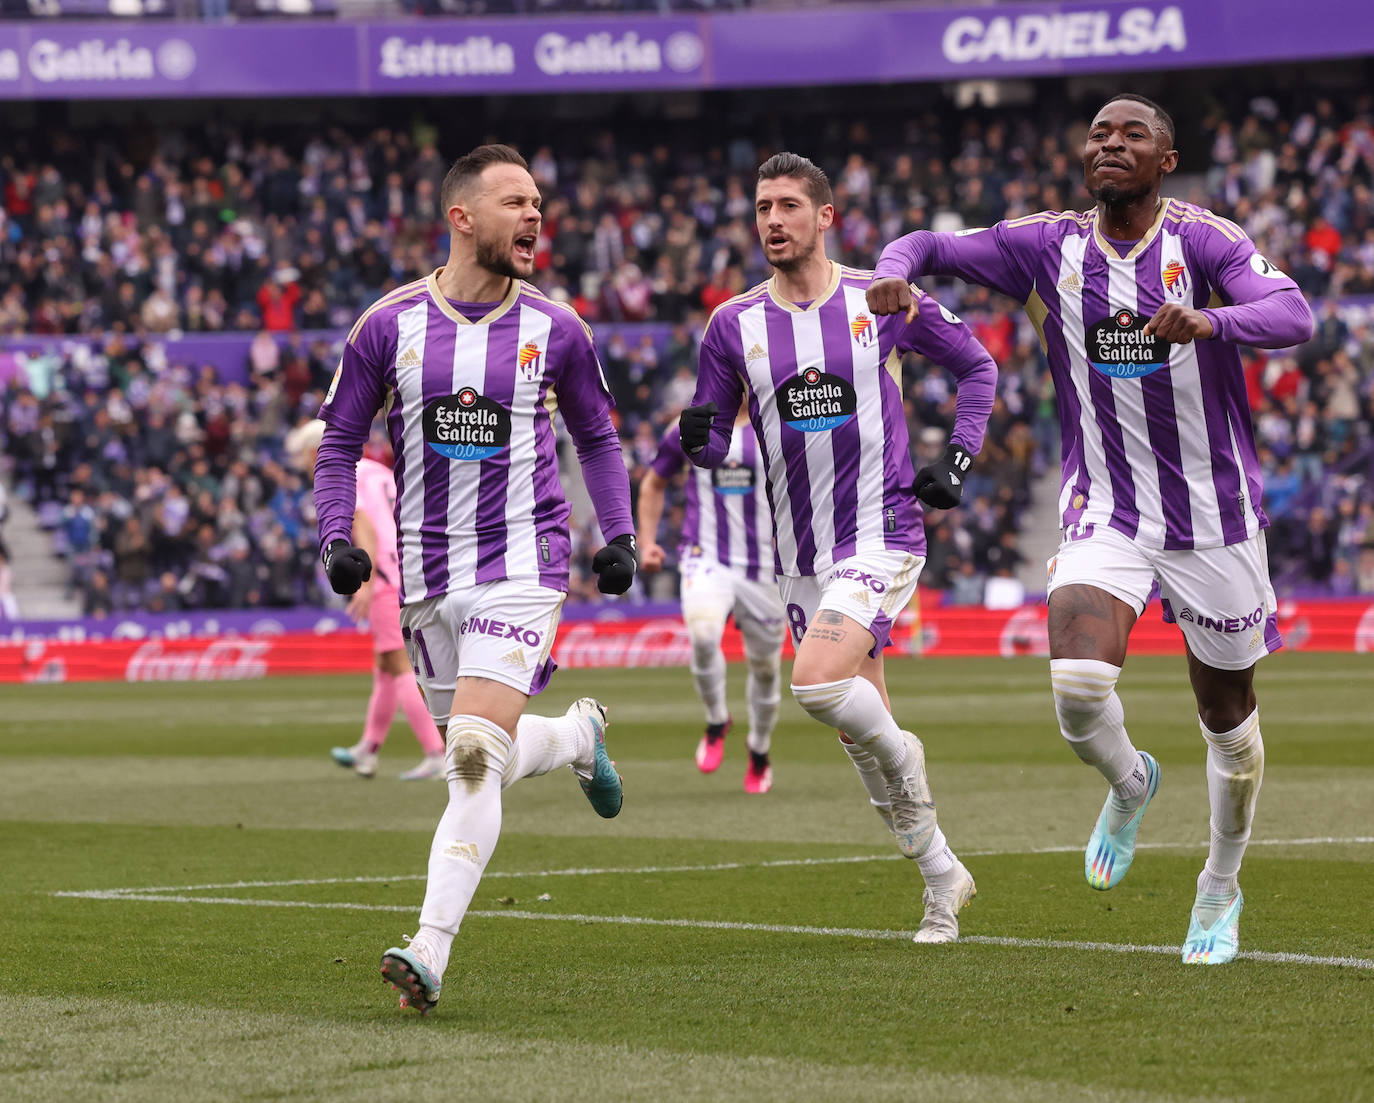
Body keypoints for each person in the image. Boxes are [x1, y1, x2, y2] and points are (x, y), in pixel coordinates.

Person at [866, 94, 1316, 964]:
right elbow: (926, 246)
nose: (1111, 144)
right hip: (1104, 506)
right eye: (1100, 134)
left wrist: (1211, 319)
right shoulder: (1048, 244)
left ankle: (1219, 886)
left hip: (1212, 519)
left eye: (1132, 135)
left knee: (1227, 719)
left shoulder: (1206, 241)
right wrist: (892, 267)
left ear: (1168, 160)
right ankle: (1130, 778)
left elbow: (1294, 314)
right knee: (1076, 686)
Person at [313, 144, 638, 1014]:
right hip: (422, 571)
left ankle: (430, 948)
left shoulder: (558, 328)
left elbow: (598, 440)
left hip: (524, 561)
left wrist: (620, 533)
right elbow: (339, 445)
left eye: (539, 201)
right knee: (479, 759)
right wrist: (333, 539)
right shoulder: (387, 325)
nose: (536, 217)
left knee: (469, 750)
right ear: (462, 218)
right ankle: (573, 737)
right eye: (515, 202)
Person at [681, 153, 997, 942]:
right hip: (799, 554)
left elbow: (978, 367)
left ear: (826, 216)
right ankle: (941, 881)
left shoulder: (878, 298)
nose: (772, 221)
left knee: (817, 685)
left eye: (788, 205)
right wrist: (699, 437)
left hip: (880, 531)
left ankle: (911, 759)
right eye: (761, 207)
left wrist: (957, 458)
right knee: (864, 736)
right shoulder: (732, 324)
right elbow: (716, 433)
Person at [286, 418, 447, 781]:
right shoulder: (379, 470)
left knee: (399, 664)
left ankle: (437, 752)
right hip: (410, 564)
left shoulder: (342, 472)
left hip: (385, 572)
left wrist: (367, 581)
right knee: (386, 666)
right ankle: (369, 749)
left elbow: (363, 524)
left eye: (303, 457)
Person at [637, 399, 786, 792]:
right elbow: (654, 482)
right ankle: (718, 719)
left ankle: (759, 748)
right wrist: (647, 542)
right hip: (707, 556)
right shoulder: (690, 425)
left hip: (766, 567)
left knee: (767, 669)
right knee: (703, 637)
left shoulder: (777, 417)